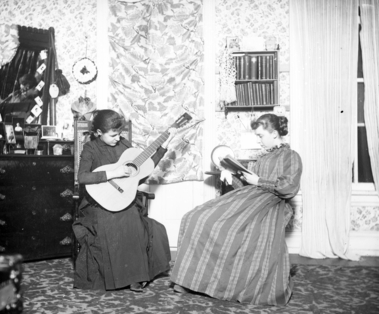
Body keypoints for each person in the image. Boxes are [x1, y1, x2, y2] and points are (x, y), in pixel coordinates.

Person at [170, 113, 303, 306]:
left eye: (261, 136)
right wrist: (230, 175)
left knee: (229, 230)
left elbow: (289, 188)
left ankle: (226, 285)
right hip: (251, 198)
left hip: (273, 204)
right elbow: (246, 185)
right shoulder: (262, 158)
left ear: (274, 134)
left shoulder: (291, 156)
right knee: (195, 217)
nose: (259, 141)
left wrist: (258, 180)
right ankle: (190, 281)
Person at [73, 109, 177, 293]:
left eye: (120, 133)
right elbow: (82, 177)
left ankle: (135, 277)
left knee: (133, 222)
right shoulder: (91, 148)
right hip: (98, 203)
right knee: (112, 224)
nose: (118, 138)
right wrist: (114, 173)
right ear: (98, 133)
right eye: (113, 135)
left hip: (123, 198)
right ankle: (122, 277)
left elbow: (140, 173)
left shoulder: (124, 145)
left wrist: (163, 147)